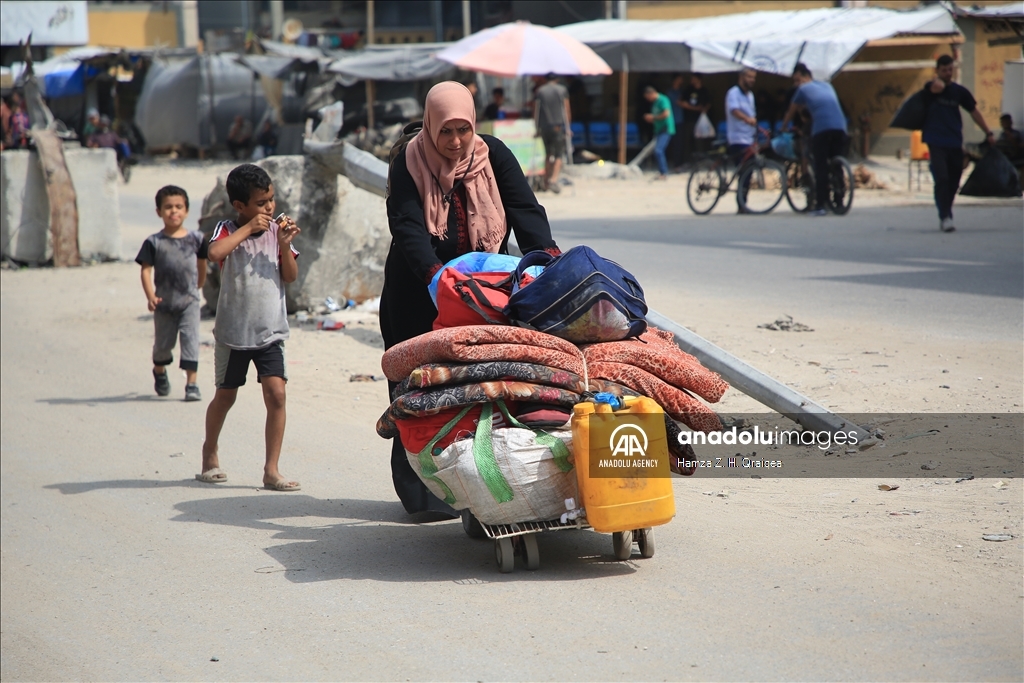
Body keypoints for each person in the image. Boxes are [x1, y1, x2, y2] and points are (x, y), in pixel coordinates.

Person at [383, 81, 560, 516]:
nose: (456, 140)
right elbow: (406, 226)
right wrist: (436, 277)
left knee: (475, 393)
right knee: (417, 393)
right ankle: (421, 490)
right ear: (430, 126)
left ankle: (476, 488)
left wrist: (546, 261)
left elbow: (525, 210)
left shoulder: (493, 153)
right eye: (447, 131)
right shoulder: (408, 161)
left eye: (464, 129)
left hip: (480, 299)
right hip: (415, 297)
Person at [200, 164, 302, 491]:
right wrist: (247, 229)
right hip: (233, 335)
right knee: (225, 396)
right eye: (261, 203)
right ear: (240, 206)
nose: (269, 208)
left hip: (270, 332)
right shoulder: (227, 230)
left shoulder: (277, 231)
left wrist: (285, 245)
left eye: (271, 200)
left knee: (277, 395)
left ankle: (271, 470)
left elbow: (290, 276)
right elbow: (214, 252)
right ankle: (209, 451)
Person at [135, 186, 208, 402]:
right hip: (164, 303)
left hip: (189, 301)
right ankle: (159, 371)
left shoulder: (196, 239)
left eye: (178, 207)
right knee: (163, 346)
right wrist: (150, 296)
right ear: (159, 212)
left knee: (191, 340)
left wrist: (199, 285)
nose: (173, 211)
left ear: (186, 211)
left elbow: (202, 264)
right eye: (168, 207)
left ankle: (191, 384)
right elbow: (146, 270)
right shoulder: (154, 242)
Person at [921, 55, 996, 232]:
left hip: (954, 142)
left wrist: (988, 132)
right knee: (942, 179)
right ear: (937, 70)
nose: (948, 73)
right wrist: (937, 83)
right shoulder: (930, 88)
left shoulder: (959, 92)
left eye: (950, 70)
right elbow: (933, 88)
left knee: (954, 181)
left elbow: (974, 111)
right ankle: (945, 216)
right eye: (944, 70)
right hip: (935, 141)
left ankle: (946, 210)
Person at [781, 63, 849, 217]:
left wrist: (784, 126)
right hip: (841, 128)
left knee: (821, 166)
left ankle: (820, 205)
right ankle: (839, 201)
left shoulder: (803, 89)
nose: (796, 84)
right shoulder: (826, 85)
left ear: (806, 77)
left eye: (798, 80)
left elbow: (791, 111)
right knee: (837, 164)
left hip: (822, 130)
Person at [726, 68, 758, 212]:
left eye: (754, 77)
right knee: (744, 171)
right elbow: (734, 110)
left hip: (749, 137)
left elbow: (753, 114)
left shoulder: (750, 95)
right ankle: (741, 204)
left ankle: (743, 202)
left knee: (748, 171)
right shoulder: (733, 93)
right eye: (749, 77)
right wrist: (747, 119)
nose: (752, 80)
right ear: (741, 77)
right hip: (737, 138)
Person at [534, 73, 571, 193]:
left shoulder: (540, 91)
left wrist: (537, 128)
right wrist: (568, 127)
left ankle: (545, 181)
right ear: (557, 79)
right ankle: (553, 180)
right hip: (558, 126)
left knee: (548, 154)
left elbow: (536, 110)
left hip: (544, 127)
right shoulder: (562, 90)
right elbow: (566, 108)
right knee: (559, 154)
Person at [643, 85, 675, 180]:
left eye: (648, 97)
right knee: (657, 151)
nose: (648, 99)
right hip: (658, 129)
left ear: (651, 93)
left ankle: (664, 173)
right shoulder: (655, 103)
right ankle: (662, 171)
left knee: (658, 150)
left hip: (665, 128)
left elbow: (666, 114)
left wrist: (653, 117)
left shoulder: (663, 100)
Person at [680, 73, 710, 162]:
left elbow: (708, 104)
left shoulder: (704, 90)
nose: (692, 80)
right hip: (689, 119)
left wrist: (704, 110)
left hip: (700, 120)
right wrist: (695, 108)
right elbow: (681, 102)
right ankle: (687, 161)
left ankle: (700, 161)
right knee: (687, 141)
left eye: (693, 78)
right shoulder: (688, 90)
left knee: (699, 141)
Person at [666, 75, 686, 168]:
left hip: (680, 120)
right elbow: (679, 103)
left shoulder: (681, 91)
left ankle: (681, 162)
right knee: (675, 144)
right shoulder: (671, 92)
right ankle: (676, 164)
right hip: (673, 121)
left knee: (681, 143)